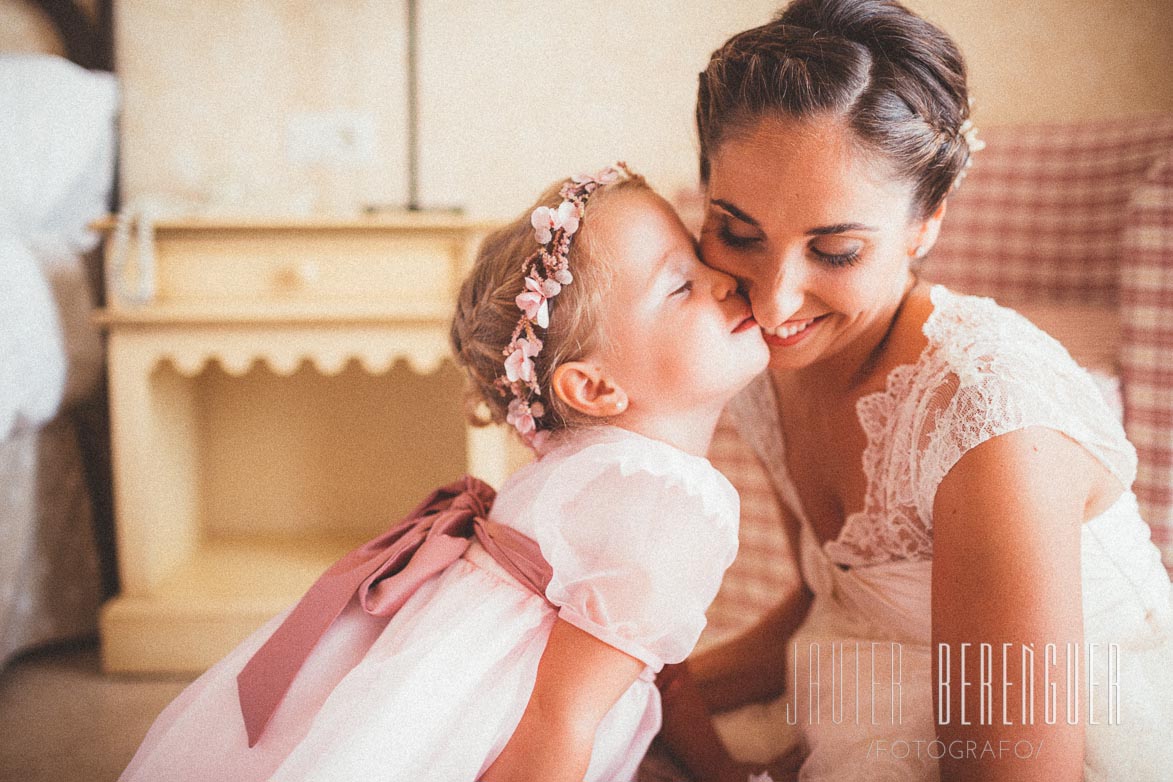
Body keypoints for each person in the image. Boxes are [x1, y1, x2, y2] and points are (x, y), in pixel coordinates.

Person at [118, 163, 778, 782]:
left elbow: (663, 672)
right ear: (595, 389)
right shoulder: (670, 499)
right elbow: (555, 722)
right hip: (505, 726)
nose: (724, 278)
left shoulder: (597, 467)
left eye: (697, 260)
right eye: (681, 285)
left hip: (438, 673)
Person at [652, 1, 1173, 781]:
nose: (771, 303)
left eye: (834, 250)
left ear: (924, 223)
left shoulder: (989, 426)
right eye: (737, 232)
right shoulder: (767, 364)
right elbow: (836, 601)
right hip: (865, 708)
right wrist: (647, 680)